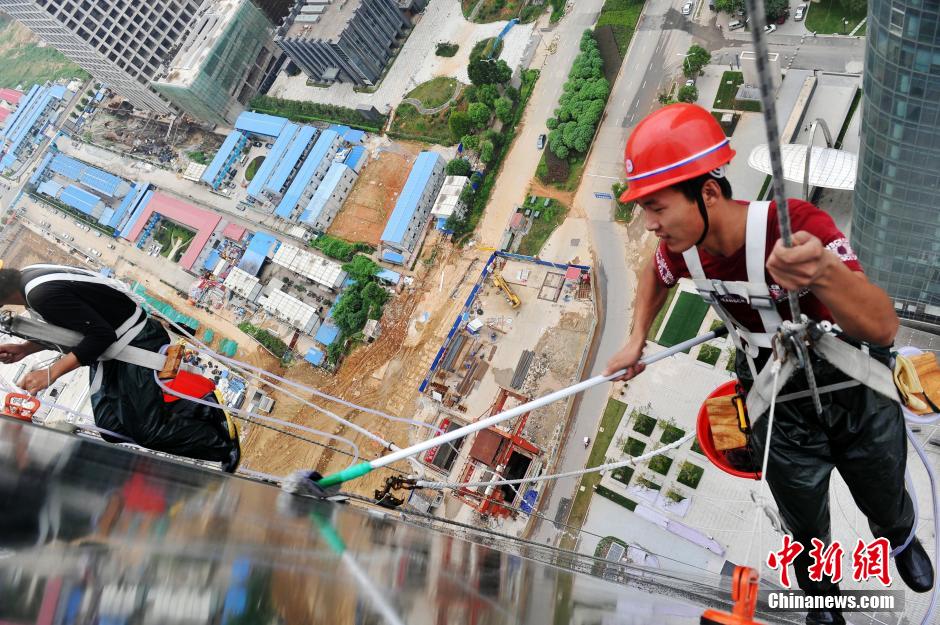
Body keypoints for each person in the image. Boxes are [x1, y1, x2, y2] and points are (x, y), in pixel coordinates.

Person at [603, 104, 933, 625]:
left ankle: (900, 539)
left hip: (854, 388)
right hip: (777, 400)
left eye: (658, 207)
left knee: (883, 484)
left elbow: (882, 327)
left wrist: (823, 272)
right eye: (645, 208)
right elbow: (653, 275)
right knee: (803, 517)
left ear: (708, 192)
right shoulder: (683, 249)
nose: (649, 224)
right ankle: (820, 594)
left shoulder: (796, 225)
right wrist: (637, 337)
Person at [0, 263, 240, 472]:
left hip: (132, 340)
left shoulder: (41, 295)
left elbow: (99, 335)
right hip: (112, 346)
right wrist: (25, 349)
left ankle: (221, 446)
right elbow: (71, 330)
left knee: (149, 431)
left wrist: (50, 373)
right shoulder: (29, 279)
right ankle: (201, 410)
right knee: (109, 427)